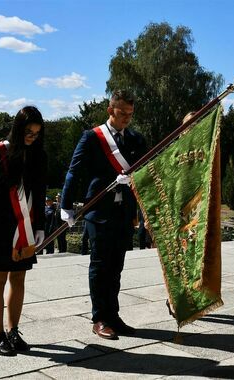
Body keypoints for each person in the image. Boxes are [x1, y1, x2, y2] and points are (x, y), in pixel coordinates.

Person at [60, 90, 146, 340]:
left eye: (130, 114)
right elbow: (73, 172)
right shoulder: (92, 137)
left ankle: (113, 315)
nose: (126, 119)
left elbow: (146, 171)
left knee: (116, 266)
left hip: (124, 212)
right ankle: (99, 318)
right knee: (100, 265)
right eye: (122, 114)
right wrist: (66, 206)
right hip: (99, 211)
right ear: (110, 110)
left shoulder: (135, 139)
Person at [0, 106, 46, 356]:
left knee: (19, 278)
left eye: (36, 133)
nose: (32, 137)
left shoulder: (37, 154)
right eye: (28, 132)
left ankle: (13, 331)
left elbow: (39, 191)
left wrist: (39, 226)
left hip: (24, 227)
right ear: (17, 128)